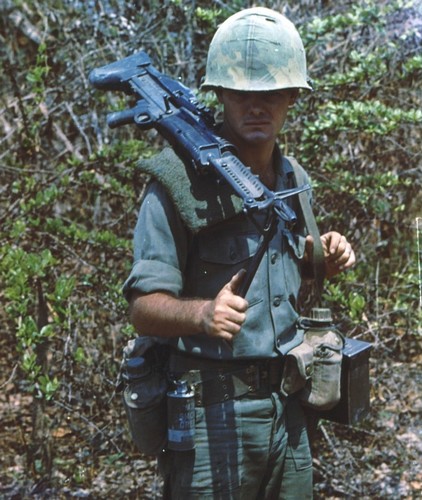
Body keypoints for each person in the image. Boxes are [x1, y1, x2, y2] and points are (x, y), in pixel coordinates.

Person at [123, 7, 356, 499]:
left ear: (293, 97)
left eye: (271, 93)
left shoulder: (293, 181)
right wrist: (203, 314)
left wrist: (320, 259)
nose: (257, 106)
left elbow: (293, 284)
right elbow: (143, 309)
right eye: (242, 93)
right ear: (219, 95)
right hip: (212, 420)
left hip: (288, 408)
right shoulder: (179, 182)